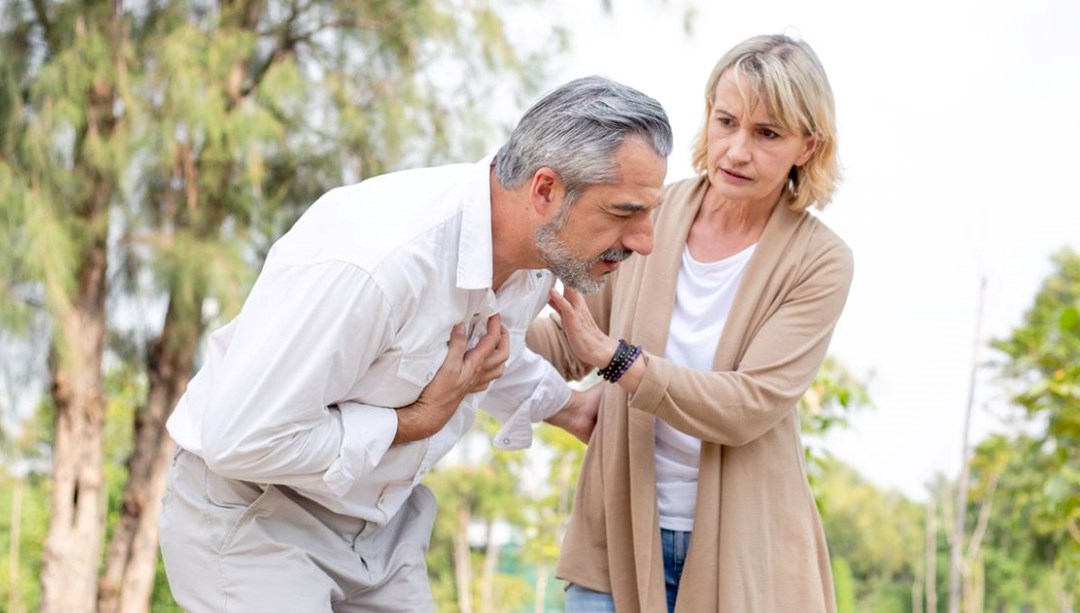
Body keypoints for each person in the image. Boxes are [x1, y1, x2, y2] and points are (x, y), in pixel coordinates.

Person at [158, 75, 672, 612]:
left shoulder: (533, 257)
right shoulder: (381, 263)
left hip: (381, 529)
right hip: (254, 516)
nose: (645, 241)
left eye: (649, 212)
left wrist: (569, 409)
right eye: (623, 212)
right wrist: (411, 422)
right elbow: (240, 439)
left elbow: (483, 356)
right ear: (545, 190)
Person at [527, 35, 852, 613]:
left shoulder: (819, 261)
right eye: (726, 121)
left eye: (768, 133)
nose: (736, 150)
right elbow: (571, 339)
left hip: (747, 556)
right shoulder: (648, 209)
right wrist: (485, 299)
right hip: (616, 534)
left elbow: (747, 405)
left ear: (809, 145)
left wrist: (620, 364)